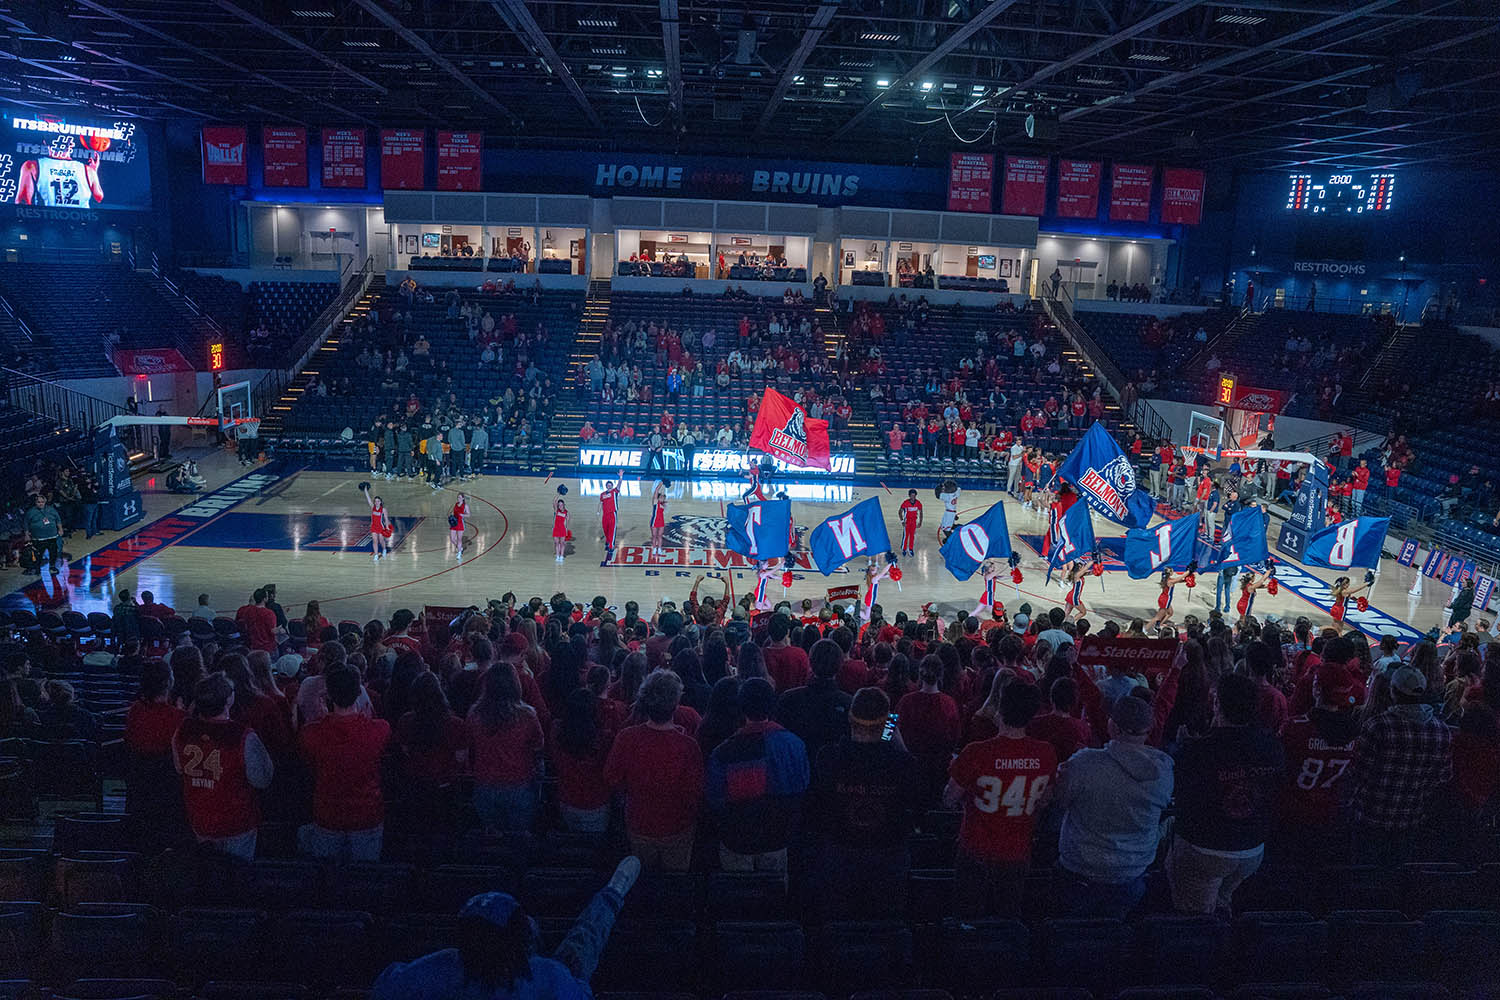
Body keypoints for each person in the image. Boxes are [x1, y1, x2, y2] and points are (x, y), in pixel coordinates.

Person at [371, 859, 641, 1000]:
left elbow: (385, 986)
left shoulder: (443, 966)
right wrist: (575, 978)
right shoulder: (549, 975)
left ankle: (611, 894)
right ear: (517, 939)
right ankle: (612, 893)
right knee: (581, 944)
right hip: (548, 975)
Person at [1167, 674, 1285, 915]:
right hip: (1252, 848)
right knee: (1223, 901)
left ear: (1218, 704)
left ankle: (1207, 946)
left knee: (1196, 916)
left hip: (1206, 847)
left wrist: (1182, 750)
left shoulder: (1198, 750)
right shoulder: (1271, 745)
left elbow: (1181, 794)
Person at [1053, 695, 1173, 918]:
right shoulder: (1164, 771)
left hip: (1080, 868)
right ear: (1148, 729)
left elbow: (1060, 801)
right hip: (1132, 872)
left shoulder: (1083, 763)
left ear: (1113, 726)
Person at [944, 681, 1055, 917]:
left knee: (967, 918)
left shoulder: (976, 752)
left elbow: (948, 799)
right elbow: (1045, 800)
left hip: (976, 849)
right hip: (1017, 852)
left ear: (1000, 708)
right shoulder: (1046, 753)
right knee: (1006, 919)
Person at [809, 686, 922, 918]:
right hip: (889, 855)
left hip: (840, 853)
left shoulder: (828, 757)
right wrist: (892, 733)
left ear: (850, 719)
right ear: (886, 726)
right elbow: (917, 794)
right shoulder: (902, 764)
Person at [1347, 666, 1453, 866]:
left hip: (1370, 816)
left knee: (1364, 877)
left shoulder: (1377, 726)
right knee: (1399, 877)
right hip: (1411, 818)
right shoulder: (1442, 731)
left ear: (1393, 692)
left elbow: (1357, 772)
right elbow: (1442, 778)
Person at [706, 678, 810, 877]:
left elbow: (715, 799)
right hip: (778, 836)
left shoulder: (723, 752)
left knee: (738, 894)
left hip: (737, 839)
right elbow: (803, 785)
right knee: (775, 893)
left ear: (741, 708)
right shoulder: (794, 744)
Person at [604, 670, 704, 870]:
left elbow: (611, 778)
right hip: (678, 825)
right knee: (674, 882)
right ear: (675, 704)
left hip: (639, 822)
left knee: (644, 879)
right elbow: (696, 793)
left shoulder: (626, 738)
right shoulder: (688, 746)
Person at [297, 662, 392, 861]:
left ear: (328, 695)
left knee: (328, 878)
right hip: (367, 814)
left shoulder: (310, 734)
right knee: (364, 879)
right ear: (359, 693)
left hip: (327, 815)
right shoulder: (380, 729)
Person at [173, 673, 273, 860]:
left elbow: (179, 768)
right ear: (228, 700)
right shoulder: (242, 735)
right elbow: (262, 779)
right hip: (237, 822)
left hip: (200, 819)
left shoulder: (183, 730)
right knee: (238, 875)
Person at [1278, 660, 1360, 862]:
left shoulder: (1296, 728)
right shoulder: (1355, 733)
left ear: (1316, 689)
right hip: (1332, 814)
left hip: (1294, 814)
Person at [468, 662, 544, 833]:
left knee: (491, 840)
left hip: (485, 784)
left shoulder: (474, 715)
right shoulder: (527, 716)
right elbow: (539, 748)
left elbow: (470, 748)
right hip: (518, 784)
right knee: (519, 838)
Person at [776, 638, 852, 760]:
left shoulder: (788, 699)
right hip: (835, 773)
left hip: (796, 768)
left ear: (810, 663)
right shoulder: (849, 703)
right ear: (839, 665)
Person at [23, 492, 63, 574]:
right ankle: (37, 568)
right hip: (38, 538)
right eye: (39, 502)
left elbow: (58, 519)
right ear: (35, 503)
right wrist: (26, 534)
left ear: (45, 502)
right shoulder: (30, 512)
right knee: (38, 554)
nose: (41, 504)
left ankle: (52, 566)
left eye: (42, 502)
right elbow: (26, 524)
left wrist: (60, 529)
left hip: (52, 536)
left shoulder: (51, 509)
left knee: (53, 552)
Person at [235, 588, 279, 655]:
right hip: (267, 647)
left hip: (253, 644)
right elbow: (272, 631)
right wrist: (281, 631)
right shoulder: (269, 613)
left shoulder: (248, 611)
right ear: (264, 599)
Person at [364, 484, 394, 563]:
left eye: (378, 501)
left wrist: (387, 527)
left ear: (380, 502)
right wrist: (365, 490)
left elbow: (386, 519)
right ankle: (376, 555)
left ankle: (384, 549)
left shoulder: (383, 509)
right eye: (375, 501)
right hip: (373, 527)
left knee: (381, 541)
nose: (376, 502)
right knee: (374, 541)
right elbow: (368, 499)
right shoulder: (372, 507)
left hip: (381, 527)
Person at [599, 477, 621, 566]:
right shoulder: (602, 494)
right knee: (605, 529)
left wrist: (621, 477)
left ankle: (611, 546)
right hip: (605, 515)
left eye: (610, 485)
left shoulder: (614, 492)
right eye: (607, 485)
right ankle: (608, 541)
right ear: (606, 486)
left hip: (612, 514)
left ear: (612, 486)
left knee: (612, 530)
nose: (609, 486)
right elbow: (600, 503)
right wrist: (598, 511)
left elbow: (619, 485)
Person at [898, 489, 923, 557]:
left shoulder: (918, 503)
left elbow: (921, 513)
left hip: (914, 522)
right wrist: (902, 521)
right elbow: (900, 512)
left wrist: (920, 522)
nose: (913, 497)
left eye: (914, 496)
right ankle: (904, 549)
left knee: (912, 536)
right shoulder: (905, 503)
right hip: (907, 522)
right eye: (912, 496)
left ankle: (911, 549)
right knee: (906, 536)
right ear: (909, 496)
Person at [649, 479, 668, 559]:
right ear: (658, 497)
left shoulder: (664, 505)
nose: (662, 498)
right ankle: (654, 548)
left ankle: (659, 548)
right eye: (661, 497)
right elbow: (656, 491)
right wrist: (661, 483)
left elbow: (665, 504)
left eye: (663, 498)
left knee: (660, 536)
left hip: (661, 521)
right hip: (654, 521)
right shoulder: (655, 502)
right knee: (654, 536)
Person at [552, 485, 570, 564]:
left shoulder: (567, 512)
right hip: (556, 528)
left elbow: (567, 522)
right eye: (559, 505)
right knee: (556, 543)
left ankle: (561, 556)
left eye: (561, 505)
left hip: (562, 529)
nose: (560, 506)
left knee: (562, 543)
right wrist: (558, 493)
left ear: (564, 505)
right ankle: (557, 556)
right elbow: (554, 501)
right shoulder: (556, 511)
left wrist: (567, 529)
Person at [450, 492, 470, 559]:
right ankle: (460, 548)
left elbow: (468, 514)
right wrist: (451, 515)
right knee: (452, 539)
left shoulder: (465, 506)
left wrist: (463, 515)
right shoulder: (456, 504)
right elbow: (454, 512)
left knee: (459, 539)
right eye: (458, 497)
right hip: (454, 523)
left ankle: (459, 553)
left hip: (460, 523)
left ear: (463, 498)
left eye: (460, 497)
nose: (458, 499)